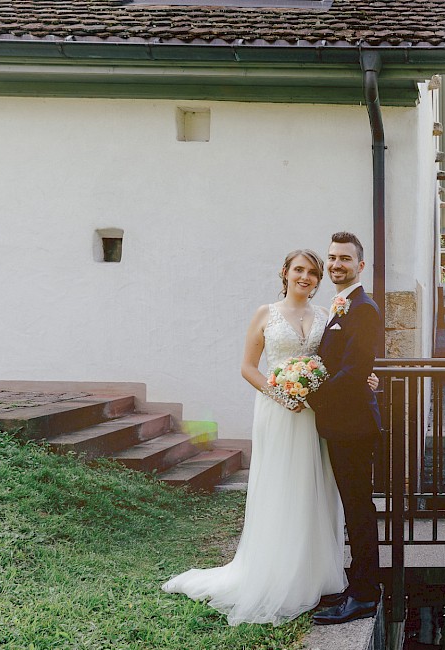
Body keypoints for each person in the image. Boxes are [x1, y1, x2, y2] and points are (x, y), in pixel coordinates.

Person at [161, 249, 377, 626]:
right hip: (278, 411)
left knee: (312, 488)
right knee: (279, 487)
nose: (305, 277)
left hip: (314, 414)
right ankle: (276, 573)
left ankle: (313, 574)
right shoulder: (266, 313)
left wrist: (365, 378)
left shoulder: (326, 316)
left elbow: (341, 361)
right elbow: (248, 367)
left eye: (312, 272)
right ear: (285, 272)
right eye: (299, 270)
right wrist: (280, 394)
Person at [308, 232, 383, 625]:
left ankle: (366, 594)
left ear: (360, 266)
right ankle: (356, 586)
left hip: (353, 426)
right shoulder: (341, 306)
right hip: (341, 424)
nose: (337, 264)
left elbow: (355, 372)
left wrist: (310, 394)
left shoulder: (364, 309)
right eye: (333, 258)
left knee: (359, 510)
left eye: (345, 259)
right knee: (353, 508)